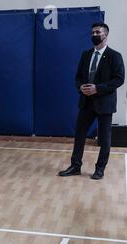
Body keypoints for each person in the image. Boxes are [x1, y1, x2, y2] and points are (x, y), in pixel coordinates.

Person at [59, 22, 125, 180]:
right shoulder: (86, 54)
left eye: (98, 32)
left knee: (105, 138)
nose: (94, 35)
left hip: (105, 103)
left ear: (105, 35)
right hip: (86, 102)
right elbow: (78, 77)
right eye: (93, 33)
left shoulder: (115, 56)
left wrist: (98, 88)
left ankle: (100, 169)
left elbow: (119, 79)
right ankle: (75, 166)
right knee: (80, 134)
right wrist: (81, 86)